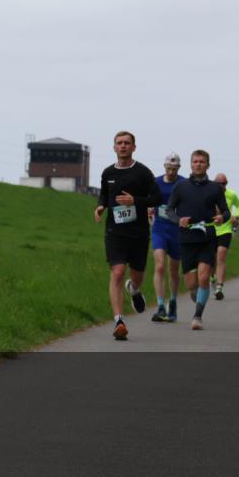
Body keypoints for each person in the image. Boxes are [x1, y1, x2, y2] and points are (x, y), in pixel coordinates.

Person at [94, 131, 162, 340]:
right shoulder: (107, 173)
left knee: (137, 275)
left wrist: (135, 201)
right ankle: (118, 320)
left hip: (139, 232)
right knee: (117, 270)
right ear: (114, 147)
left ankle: (133, 290)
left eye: (127, 143)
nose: (123, 146)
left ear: (134, 147)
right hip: (115, 231)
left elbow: (156, 198)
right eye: (119, 143)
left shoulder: (142, 172)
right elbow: (105, 193)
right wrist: (100, 206)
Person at [164, 150, 230, 330]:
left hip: (207, 238)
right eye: (195, 161)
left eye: (202, 162)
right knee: (192, 283)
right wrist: (179, 220)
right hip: (187, 239)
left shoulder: (215, 188)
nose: (198, 164)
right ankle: (197, 293)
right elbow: (169, 210)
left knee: (203, 277)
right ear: (190, 164)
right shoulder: (181, 186)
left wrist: (221, 218)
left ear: (208, 165)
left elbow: (226, 211)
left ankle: (197, 316)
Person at [148, 153, 184, 322]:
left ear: (178, 168)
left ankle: (174, 301)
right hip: (159, 228)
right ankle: (161, 305)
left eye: (174, 168)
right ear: (164, 167)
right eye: (168, 168)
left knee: (174, 270)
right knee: (160, 266)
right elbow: (149, 199)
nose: (171, 171)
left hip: (177, 230)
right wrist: (149, 208)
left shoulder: (183, 183)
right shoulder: (156, 182)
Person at [211, 173, 239, 300]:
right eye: (219, 184)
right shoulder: (209, 194)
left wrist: (236, 215)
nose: (221, 186)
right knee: (211, 259)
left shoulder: (231, 194)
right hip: (211, 229)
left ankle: (219, 287)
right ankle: (212, 277)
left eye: (224, 184)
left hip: (226, 229)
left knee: (221, 255)